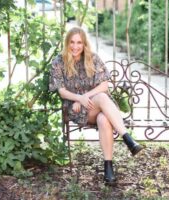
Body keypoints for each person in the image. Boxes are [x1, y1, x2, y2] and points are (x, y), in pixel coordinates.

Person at [49, 27, 143, 185]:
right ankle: (128, 139)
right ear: (67, 43)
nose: (75, 46)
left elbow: (104, 85)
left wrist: (84, 97)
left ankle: (108, 169)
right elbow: (62, 91)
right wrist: (79, 98)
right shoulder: (59, 61)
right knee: (101, 97)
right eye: (72, 42)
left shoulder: (93, 58)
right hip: (76, 109)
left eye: (79, 42)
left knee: (104, 119)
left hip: (96, 107)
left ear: (84, 43)